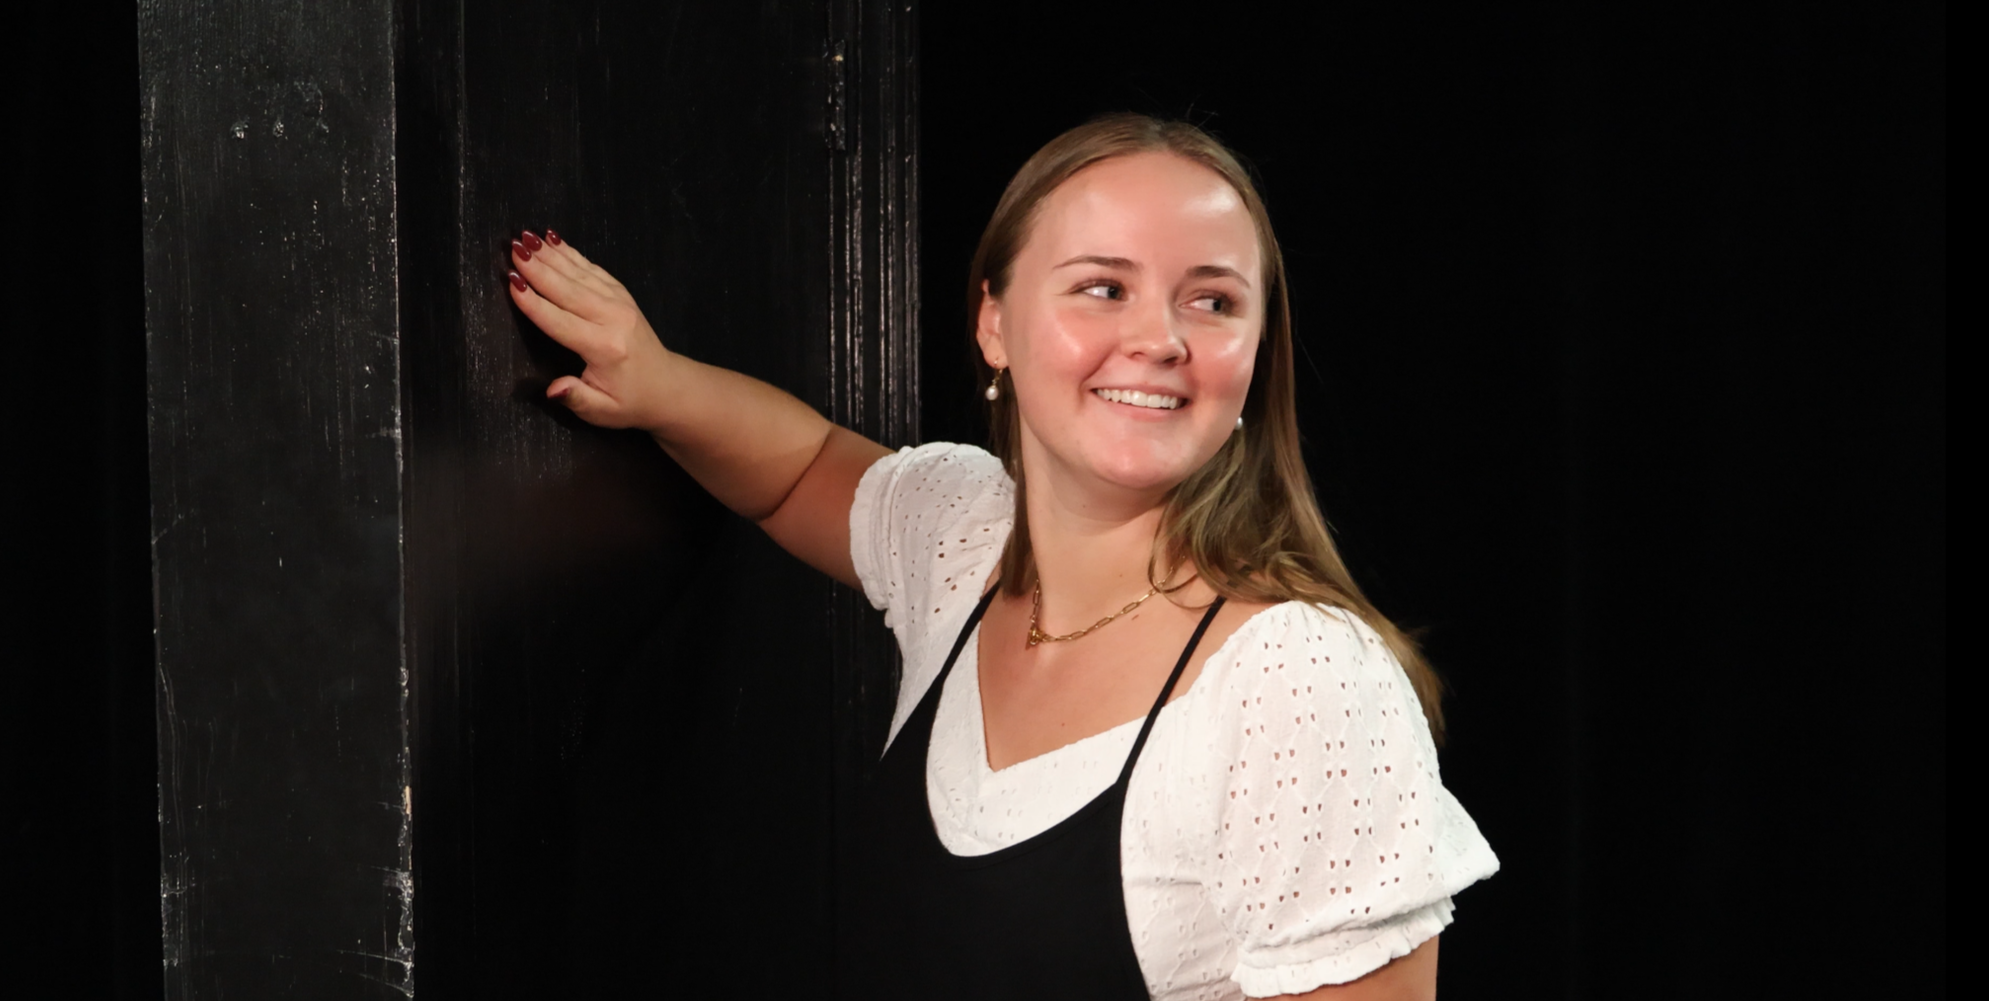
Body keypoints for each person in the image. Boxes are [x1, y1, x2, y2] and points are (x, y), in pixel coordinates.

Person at [504, 113, 1497, 1000]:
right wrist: (656, 378)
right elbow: (802, 466)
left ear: (1253, 350)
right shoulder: (966, 541)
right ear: (993, 321)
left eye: (1211, 301)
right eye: (1101, 286)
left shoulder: (1300, 684)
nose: (1158, 337)